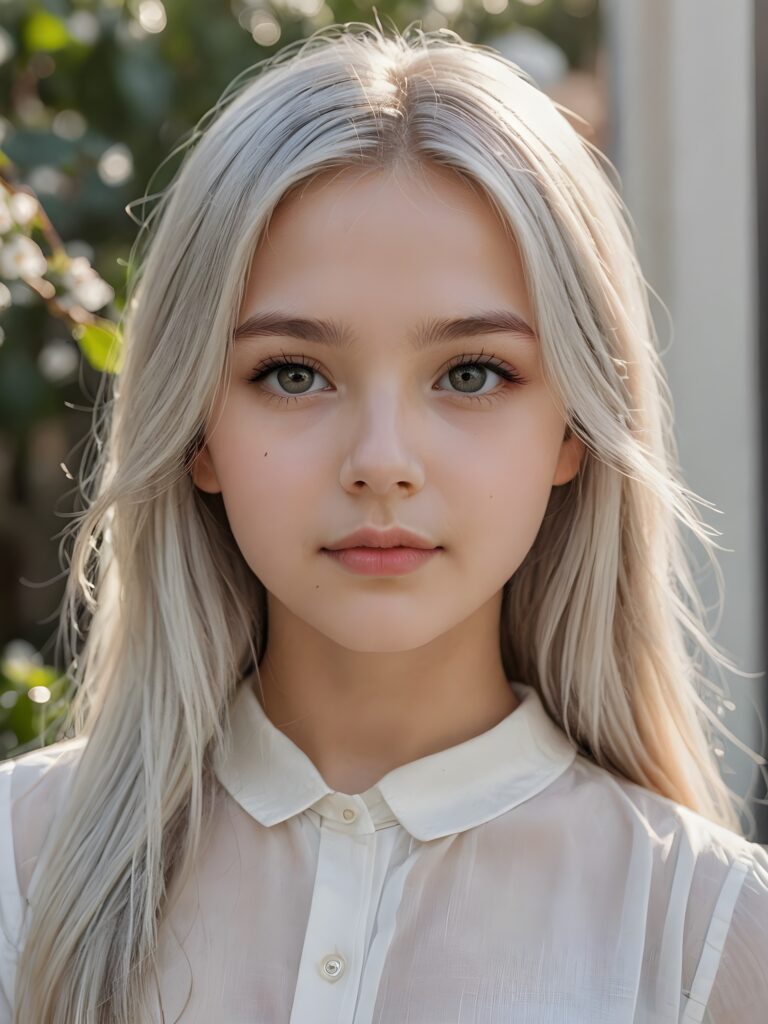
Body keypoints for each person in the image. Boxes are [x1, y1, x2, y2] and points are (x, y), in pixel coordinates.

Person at [1, 20, 766, 1024]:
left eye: (472, 372)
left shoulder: (707, 933)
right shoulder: (21, 869)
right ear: (196, 427)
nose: (383, 463)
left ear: (574, 426)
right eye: (293, 373)